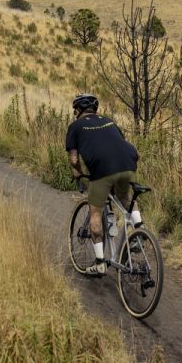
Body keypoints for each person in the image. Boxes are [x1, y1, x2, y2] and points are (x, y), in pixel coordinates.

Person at [66, 93, 142, 276]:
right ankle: (139, 231)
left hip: (102, 170)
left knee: (95, 213)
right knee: (124, 197)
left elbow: (74, 158)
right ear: (95, 109)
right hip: (128, 163)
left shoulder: (75, 126)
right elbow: (122, 143)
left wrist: (77, 173)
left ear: (77, 110)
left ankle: (100, 263)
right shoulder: (109, 121)